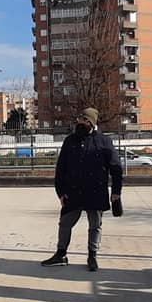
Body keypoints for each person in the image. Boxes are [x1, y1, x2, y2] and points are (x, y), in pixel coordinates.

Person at [41, 108, 123, 271]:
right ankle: (61, 254)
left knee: (95, 225)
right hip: (73, 192)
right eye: (80, 119)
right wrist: (60, 192)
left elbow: (116, 168)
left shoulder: (104, 141)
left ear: (92, 123)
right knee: (65, 223)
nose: (81, 122)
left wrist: (116, 191)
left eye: (85, 120)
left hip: (96, 191)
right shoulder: (69, 141)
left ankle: (92, 256)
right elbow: (61, 168)